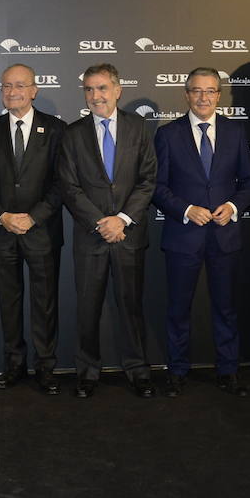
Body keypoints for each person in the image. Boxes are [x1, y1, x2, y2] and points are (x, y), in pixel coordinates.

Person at [152, 67, 250, 397]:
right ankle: (178, 371)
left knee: (225, 307)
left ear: (219, 95)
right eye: (196, 91)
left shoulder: (235, 133)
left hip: (224, 237)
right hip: (183, 236)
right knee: (178, 308)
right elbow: (156, 186)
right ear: (186, 94)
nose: (203, 97)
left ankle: (228, 371)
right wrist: (185, 209)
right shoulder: (168, 135)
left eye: (210, 91)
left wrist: (233, 207)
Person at [58, 62, 158, 398]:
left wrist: (123, 220)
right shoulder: (72, 134)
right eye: (89, 89)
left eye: (102, 88)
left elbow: (147, 180)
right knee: (87, 308)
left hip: (129, 235)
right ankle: (87, 371)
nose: (95, 96)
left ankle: (138, 370)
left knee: (131, 306)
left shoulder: (139, 128)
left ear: (117, 90)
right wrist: (101, 223)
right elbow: (69, 187)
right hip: (92, 236)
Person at [0, 63, 66, 395]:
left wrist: (34, 216)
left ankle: (46, 366)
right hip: (2, 232)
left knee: (45, 302)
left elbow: (63, 183)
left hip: (41, 232)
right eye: (6, 87)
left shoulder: (56, 130)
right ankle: (14, 364)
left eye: (19, 86)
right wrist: (1, 215)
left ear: (34, 90)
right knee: (8, 301)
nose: (12, 92)